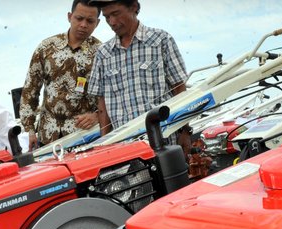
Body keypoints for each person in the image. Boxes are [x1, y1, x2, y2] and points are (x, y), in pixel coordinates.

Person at [86, 0, 189, 136]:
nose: (112, 22)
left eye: (115, 14)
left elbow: (179, 89)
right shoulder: (103, 53)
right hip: (124, 143)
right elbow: (102, 104)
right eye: (106, 17)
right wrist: (104, 142)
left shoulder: (161, 40)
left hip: (163, 137)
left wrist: (185, 132)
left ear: (134, 7)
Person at [20, 0, 102, 150]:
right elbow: (29, 91)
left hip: (86, 138)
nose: (83, 24)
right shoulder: (46, 48)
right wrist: (29, 130)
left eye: (90, 21)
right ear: (69, 16)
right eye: (79, 18)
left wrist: (97, 115)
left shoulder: (101, 53)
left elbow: (111, 96)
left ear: (97, 23)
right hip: (47, 139)